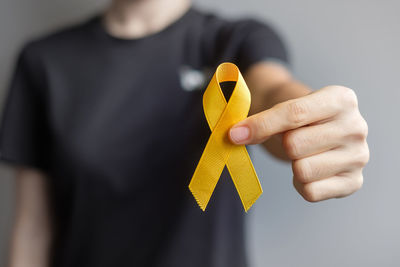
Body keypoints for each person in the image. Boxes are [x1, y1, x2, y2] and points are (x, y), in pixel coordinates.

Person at [0, 0, 369, 266]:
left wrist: (312, 120)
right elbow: (33, 228)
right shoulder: (42, 61)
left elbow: (270, 92)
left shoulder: (235, 41)